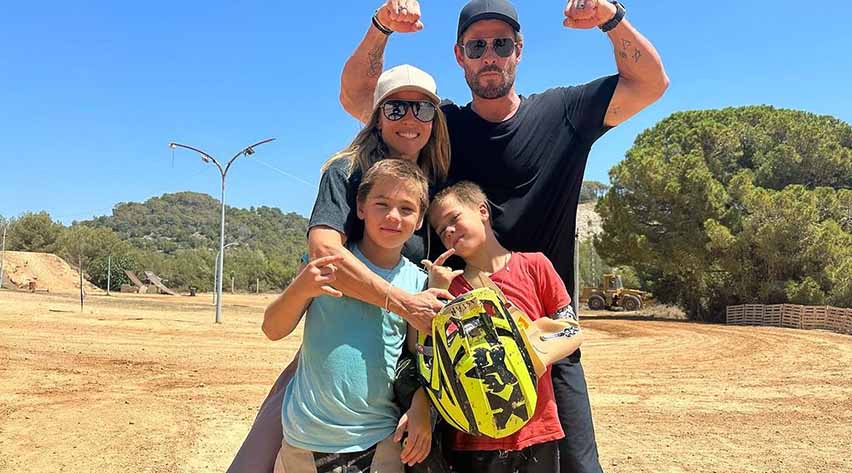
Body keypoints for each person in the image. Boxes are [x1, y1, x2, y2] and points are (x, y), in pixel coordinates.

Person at [338, 1, 669, 472]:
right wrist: (380, 28)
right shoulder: (440, 127)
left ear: (519, 51)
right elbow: (358, 99)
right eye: (477, 46)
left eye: (501, 44)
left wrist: (610, 19)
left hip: (547, 344)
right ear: (460, 55)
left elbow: (651, 85)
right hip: (459, 349)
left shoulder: (564, 112)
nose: (489, 55)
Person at [227, 64, 454, 473]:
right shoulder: (346, 171)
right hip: (324, 374)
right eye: (396, 108)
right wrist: (400, 302)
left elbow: (417, 347)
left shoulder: (433, 183)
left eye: (422, 109)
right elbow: (324, 254)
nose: (409, 118)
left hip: (383, 405)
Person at [262, 159, 433, 473]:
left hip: (380, 442)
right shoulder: (325, 265)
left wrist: (422, 404)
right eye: (381, 204)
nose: (393, 216)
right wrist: (301, 289)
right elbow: (272, 329)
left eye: (407, 209)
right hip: (303, 442)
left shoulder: (418, 283)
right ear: (360, 207)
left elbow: (414, 358)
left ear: (421, 220)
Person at [424, 181, 579, 473]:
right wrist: (436, 296)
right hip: (474, 438)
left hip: (538, 429)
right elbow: (427, 356)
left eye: (454, 219)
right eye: (441, 230)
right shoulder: (449, 288)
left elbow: (572, 328)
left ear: (482, 211)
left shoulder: (534, 265)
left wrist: (535, 356)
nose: (449, 232)